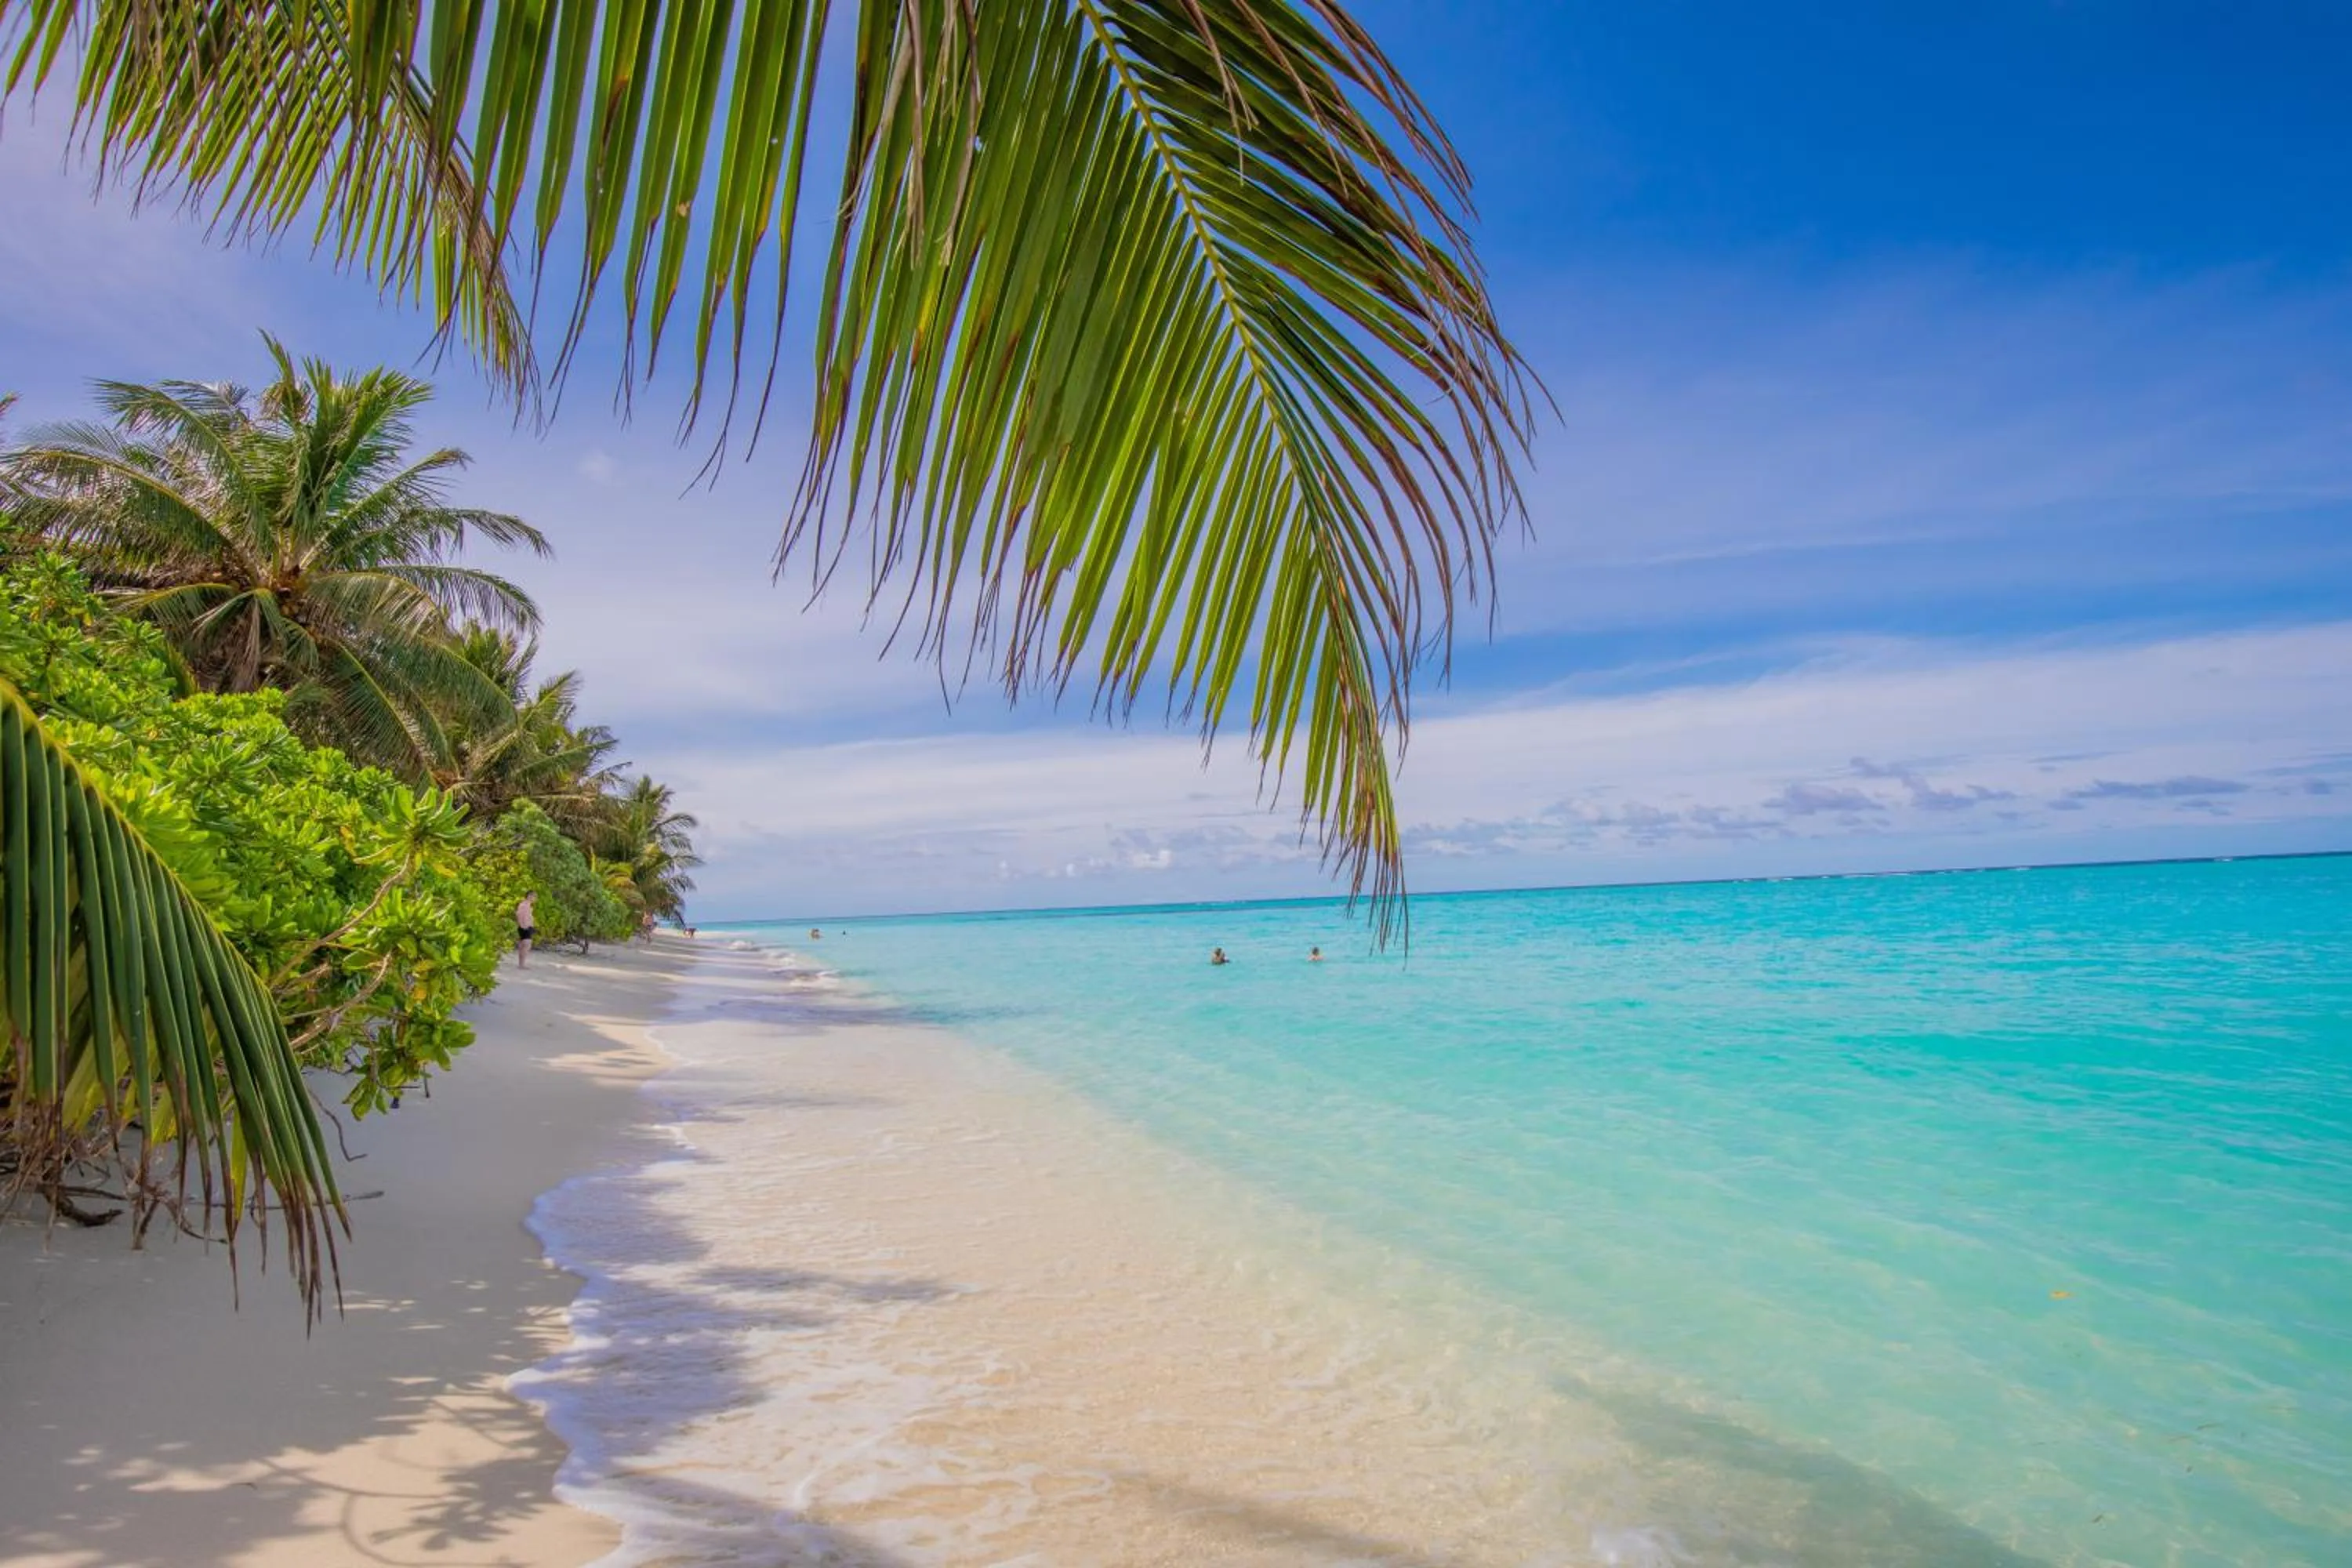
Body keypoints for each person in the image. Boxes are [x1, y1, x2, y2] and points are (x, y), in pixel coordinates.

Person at [514, 892, 537, 968]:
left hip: (528, 926)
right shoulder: (524, 905)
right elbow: (519, 915)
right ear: (529, 896)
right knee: (527, 944)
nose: (535, 898)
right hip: (525, 927)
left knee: (524, 945)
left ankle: (521, 964)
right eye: (534, 896)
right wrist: (522, 925)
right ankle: (522, 964)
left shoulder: (528, 905)